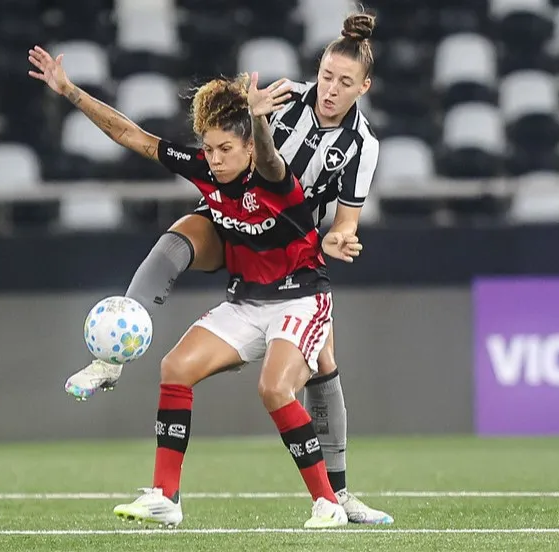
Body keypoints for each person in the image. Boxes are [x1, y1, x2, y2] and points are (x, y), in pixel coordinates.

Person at [62, 12, 393, 525]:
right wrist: (70, 91)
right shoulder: (271, 110)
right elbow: (137, 137)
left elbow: (296, 186)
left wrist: (338, 235)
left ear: (364, 88)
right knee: (178, 255)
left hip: (296, 260)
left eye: (344, 82)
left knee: (316, 371)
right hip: (242, 243)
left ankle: (334, 497)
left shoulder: (359, 147)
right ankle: (117, 371)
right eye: (326, 75)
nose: (330, 89)